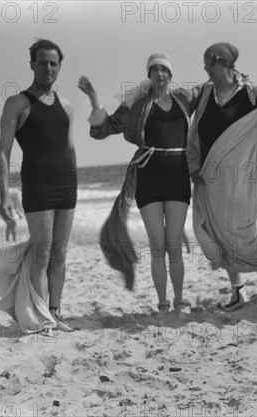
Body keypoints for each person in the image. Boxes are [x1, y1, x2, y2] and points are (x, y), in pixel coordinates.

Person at [78, 52, 199, 316]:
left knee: (174, 244)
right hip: (149, 174)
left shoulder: (183, 100)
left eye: (165, 69)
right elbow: (106, 128)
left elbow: (211, 95)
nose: (160, 74)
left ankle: (179, 301)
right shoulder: (137, 105)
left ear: (171, 74)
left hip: (178, 174)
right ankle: (163, 304)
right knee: (158, 245)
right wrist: (93, 98)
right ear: (149, 74)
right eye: (155, 70)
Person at [187, 42, 257, 311]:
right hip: (211, 180)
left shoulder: (251, 93)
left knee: (247, 233)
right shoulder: (206, 94)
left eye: (210, 61)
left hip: (243, 180)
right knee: (220, 235)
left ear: (225, 63)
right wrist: (193, 167)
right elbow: (194, 137)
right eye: (205, 61)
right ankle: (238, 291)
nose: (205, 66)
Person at [0, 39, 78, 331]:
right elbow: (4, 152)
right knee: (41, 254)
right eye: (42, 62)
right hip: (37, 186)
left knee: (59, 254)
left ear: (59, 67)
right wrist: (5, 194)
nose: (48, 68)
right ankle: (41, 318)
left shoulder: (66, 106)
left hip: (67, 187)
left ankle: (54, 313)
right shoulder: (17, 103)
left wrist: (75, 182)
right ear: (32, 64)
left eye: (53, 63)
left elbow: (70, 150)